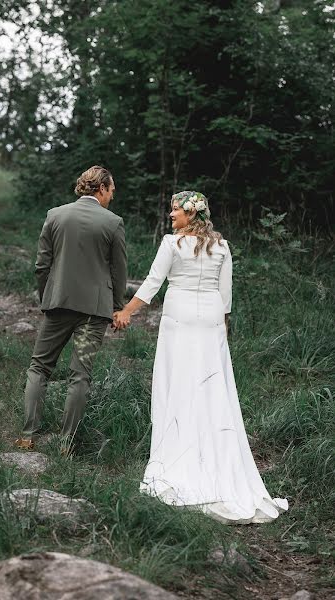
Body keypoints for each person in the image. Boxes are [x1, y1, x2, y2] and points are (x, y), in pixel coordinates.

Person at [113, 191, 288, 524]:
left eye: (175, 210)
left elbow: (153, 283)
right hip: (210, 318)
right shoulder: (221, 246)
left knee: (177, 381)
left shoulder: (171, 244)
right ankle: (213, 449)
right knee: (211, 385)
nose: (170, 215)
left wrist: (127, 311)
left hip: (180, 318)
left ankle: (178, 450)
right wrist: (223, 329)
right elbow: (226, 295)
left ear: (192, 214)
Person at [15, 165, 127, 451]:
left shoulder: (55, 215)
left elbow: (42, 264)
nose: (112, 196)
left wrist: (47, 297)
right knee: (80, 375)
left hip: (58, 303)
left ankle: (28, 435)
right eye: (111, 190)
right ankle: (66, 443)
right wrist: (117, 307)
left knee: (39, 367)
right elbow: (119, 273)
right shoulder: (113, 222)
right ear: (101, 188)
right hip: (94, 311)